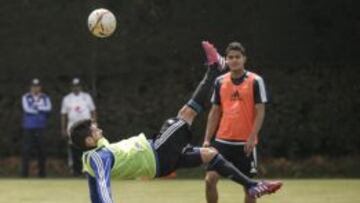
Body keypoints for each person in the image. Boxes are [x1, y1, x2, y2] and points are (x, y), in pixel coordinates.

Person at [70, 41, 282, 203]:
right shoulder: (98, 157)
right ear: (89, 140)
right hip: (156, 154)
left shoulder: (97, 152)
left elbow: (93, 188)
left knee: (210, 154)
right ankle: (214, 67)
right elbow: (101, 188)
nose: (99, 128)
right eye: (94, 129)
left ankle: (252, 185)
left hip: (160, 160)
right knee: (185, 114)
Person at [203, 42, 268, 203]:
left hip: (245, 143)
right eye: (230, 57)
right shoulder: (220, 81)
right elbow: (215, 112)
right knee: (209, 180)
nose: (234, 60)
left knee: (249, 189)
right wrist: (206, 139)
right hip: (221, 142)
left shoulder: (255, 80)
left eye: (237, 57)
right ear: (226, 60)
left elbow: (260, 111)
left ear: (244, 59)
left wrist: (253, 137)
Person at [61, 78, 96, 176]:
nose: (76, 88)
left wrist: (95, 124)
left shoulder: (86, 97)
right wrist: (63, 128)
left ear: (80, 87)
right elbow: (63, 114)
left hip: (86, 127)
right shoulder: (67, 98)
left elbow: (93, 111)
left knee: (88, 148)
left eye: (78, 86)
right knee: (74, 149)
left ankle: (89, 170)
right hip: (72, 127)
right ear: (71, 87)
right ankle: (76, 171)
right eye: (74, 86)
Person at [21, 78, 52, 177]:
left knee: (42, 150)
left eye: (37, 86)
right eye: (34, 86)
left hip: (41, 127)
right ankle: (24, 174)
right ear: (31, 87)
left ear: (40, 87)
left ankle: (42, 174)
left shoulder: (45, 97)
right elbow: (27, 109)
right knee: (26, 150)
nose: (36, 88)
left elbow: (49, 108)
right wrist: (40, 109)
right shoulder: (26, 97)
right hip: (29, 127)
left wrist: (36, 107)